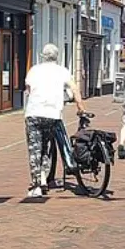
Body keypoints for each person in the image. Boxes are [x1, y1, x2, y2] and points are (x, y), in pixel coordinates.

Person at [24, 44, 85, 197]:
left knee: (35, 150)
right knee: (45, 146)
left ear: (42, 55)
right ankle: (44, 179)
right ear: (56, 56)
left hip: (34, 114)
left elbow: (28, 89)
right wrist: (81, 107)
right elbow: (75, 88)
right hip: (52, 115)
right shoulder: (62, 71)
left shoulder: (34, 70)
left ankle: (37, 185)